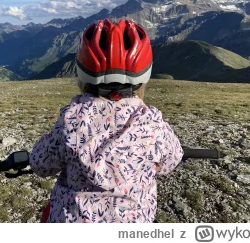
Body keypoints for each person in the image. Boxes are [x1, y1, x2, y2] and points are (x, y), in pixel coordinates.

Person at [29, 18, 183, 223]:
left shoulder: (71, 120)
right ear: (144, 77)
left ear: (82, 73)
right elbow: (170, 161)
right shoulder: (152, 123)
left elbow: (41, 165)